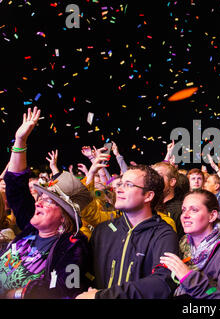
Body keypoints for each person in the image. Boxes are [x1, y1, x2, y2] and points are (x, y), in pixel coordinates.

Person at [1, 107, 91, 299]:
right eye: (41, 198)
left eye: (49, 201)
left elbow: (67, 288)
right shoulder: (31, 228)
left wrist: (12, 295)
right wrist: (20, 141)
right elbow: (15, 185)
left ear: (64, 217)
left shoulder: (73, 245)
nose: (39, 203)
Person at [76, 164, 179, 299]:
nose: (118, 190)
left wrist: (104, 296)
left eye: (128, 185)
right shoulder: (102, 231)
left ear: (148, 196)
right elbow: (84, 274)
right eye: (120, 184)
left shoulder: (163, 234)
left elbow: (162, 282)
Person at [160, 189, 220, 299]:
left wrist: (190, 279)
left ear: (212, 216)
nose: (185, 215)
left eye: (194, 210)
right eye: (183, 210)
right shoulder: (181, 244)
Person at [152, 161, 183, 239]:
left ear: (172, 182)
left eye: (159, 175)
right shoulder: (147, 206)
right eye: (153, 176)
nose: (154, 180)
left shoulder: (180, 210)